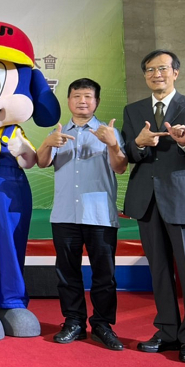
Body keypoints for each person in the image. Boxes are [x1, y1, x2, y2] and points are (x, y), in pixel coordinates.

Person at [122, 50, 185, 364]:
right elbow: (128, 155)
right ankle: (166, 331)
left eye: (162, 68)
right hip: (147, 201)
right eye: (150, 70)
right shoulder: (133, 110)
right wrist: (139, 143)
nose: (156, 74)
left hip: (183, 200)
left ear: (175, 72)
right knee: (159, 271)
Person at [37, 78, 127, 351]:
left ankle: (102, 325)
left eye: (88, 96)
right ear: (68, 101)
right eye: (76, 96)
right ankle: (73, 322)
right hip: (65, 215)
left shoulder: (108, 132)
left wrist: (113, 144)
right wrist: (47, 143)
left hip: (100, 215)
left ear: (96, 102)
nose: (82, 101)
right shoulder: (58, 133)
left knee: (104, 275)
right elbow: (42, 162)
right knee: (67, 273)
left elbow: (120, 167)